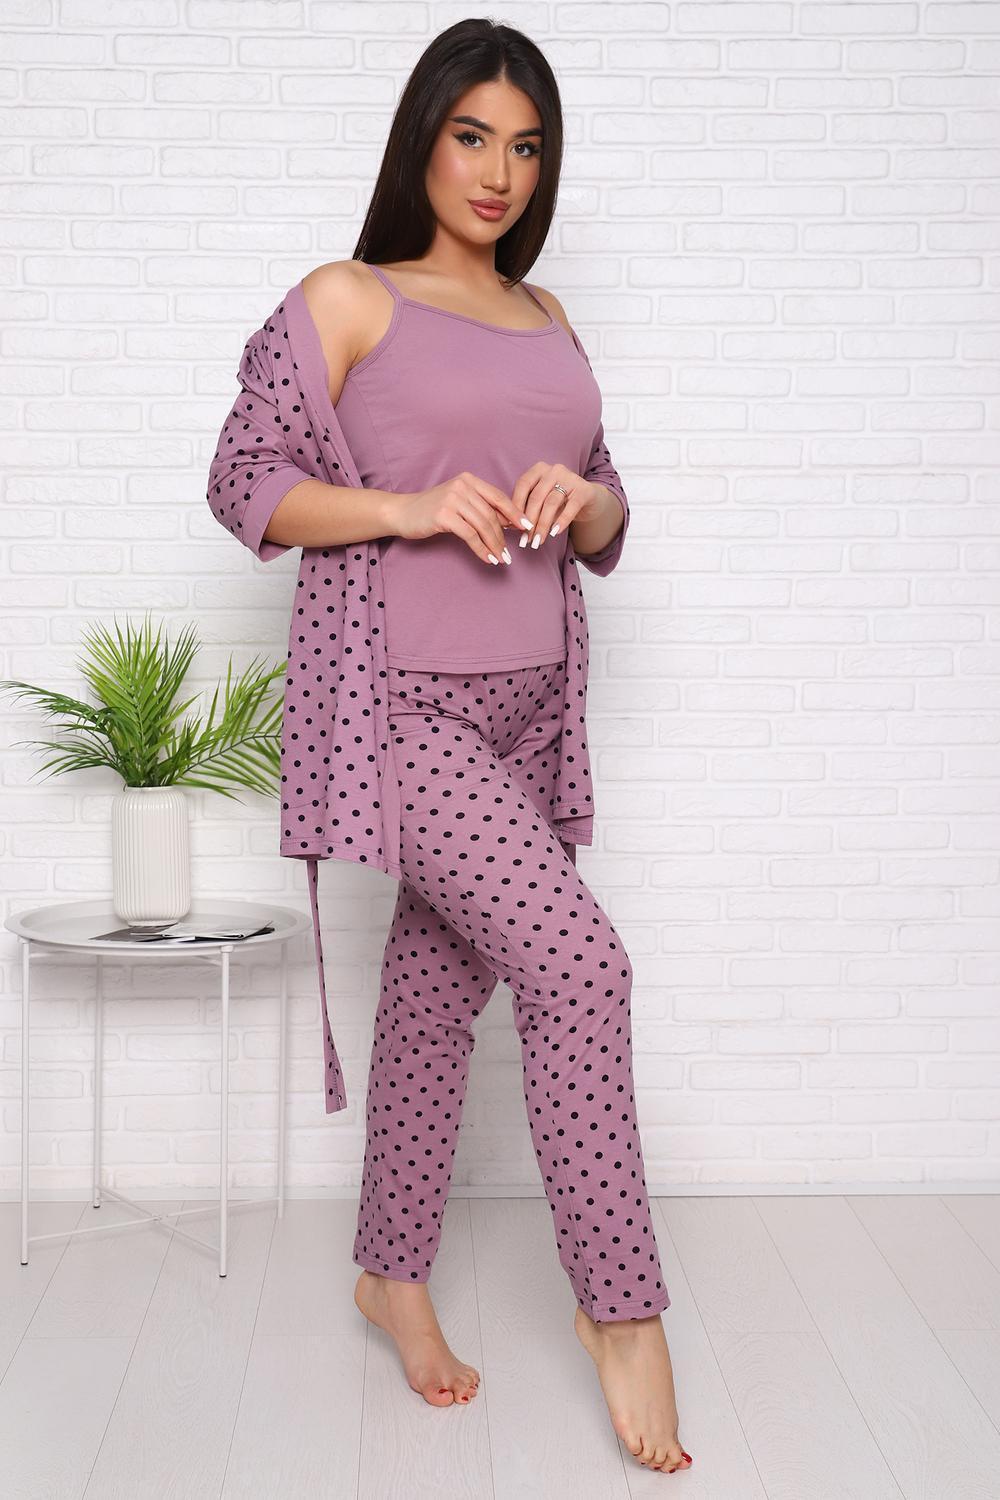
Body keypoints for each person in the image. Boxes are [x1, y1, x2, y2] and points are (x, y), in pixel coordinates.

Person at [245, 18, 692, 1479]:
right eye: (472, 136)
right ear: (423, 141)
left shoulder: (548, 312)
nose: (499, 171)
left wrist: (584, 498)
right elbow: (244, 477)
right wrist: (409, 506)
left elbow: (607, 503)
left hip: (528, 711)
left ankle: (390, 1276)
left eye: (527, 145)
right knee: (583, 969)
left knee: (438, 1003)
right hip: (405, 709)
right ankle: (622, 1311)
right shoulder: (348, 296)